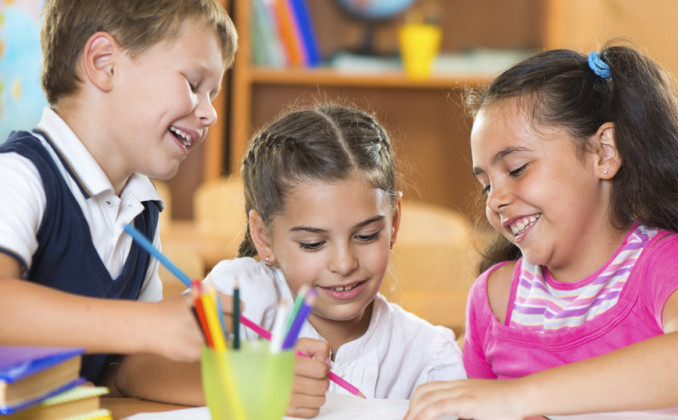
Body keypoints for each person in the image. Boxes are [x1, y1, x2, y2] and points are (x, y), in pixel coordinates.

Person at [403, 45, 678, 420]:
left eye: (516, 169)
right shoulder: (494, 299)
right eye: (486, 186)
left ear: (604, 153)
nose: (495, 201)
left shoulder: (665, 265)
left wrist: (518, 396)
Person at [117, 104, 467, 418]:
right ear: (263, 237)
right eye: (313, 243)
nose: (344, 263)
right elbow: (131, 370)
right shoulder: (241, 296)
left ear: (394, 222)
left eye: (366, 236)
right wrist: (252, 385)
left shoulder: (428, 355)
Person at [0, 0, 237, 388]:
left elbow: (124, 367)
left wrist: (246, 381)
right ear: (105, 62)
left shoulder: (140, 210)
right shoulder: (19, 175)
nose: (209, 113)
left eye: (213, 93)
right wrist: (148, 324)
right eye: (194, 85)